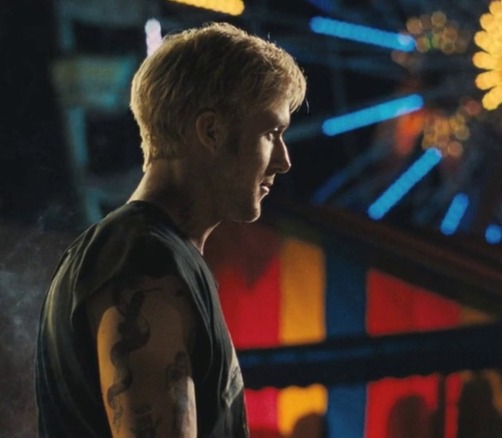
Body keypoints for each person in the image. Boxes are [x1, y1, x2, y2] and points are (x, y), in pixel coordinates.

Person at [35, 22, 306, 437]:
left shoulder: (140, 253)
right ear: (210, 131)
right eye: (271, 133)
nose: (284, 160)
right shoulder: (144, 260)